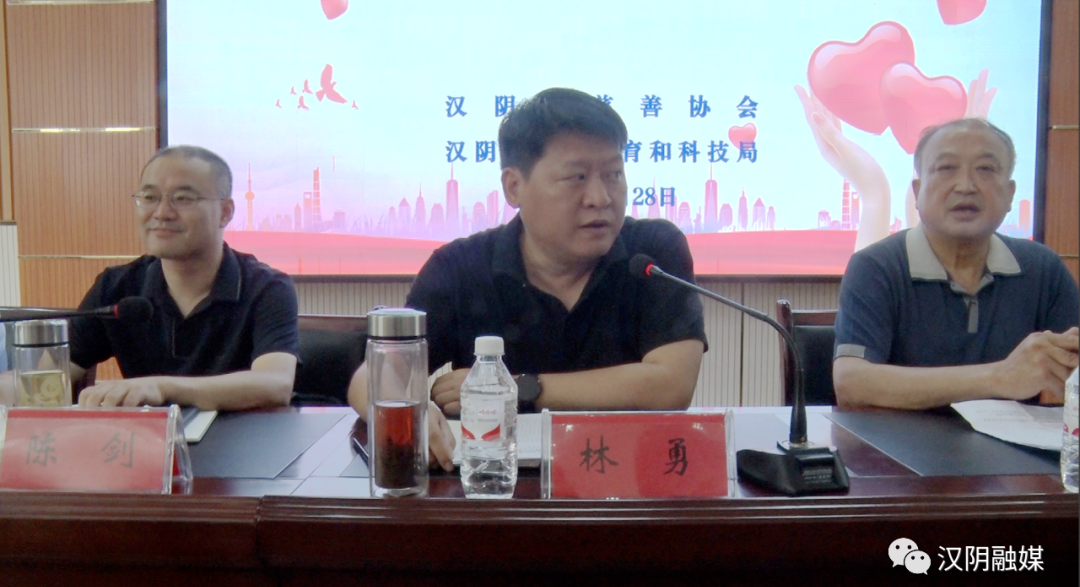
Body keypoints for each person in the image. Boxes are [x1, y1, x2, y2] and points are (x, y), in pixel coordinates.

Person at [348, 87, 708, 469]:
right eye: (577, 177)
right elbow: (372, 378)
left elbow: (671, 385)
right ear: (514, 187)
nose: (600, 197)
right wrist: (410, 415)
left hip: (626, 482)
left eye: (614, 174)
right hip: (495, 486)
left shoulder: (653, 252)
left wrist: (516, 387)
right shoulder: (460, 267)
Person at [0, 145, 299, 410]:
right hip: (146, 448)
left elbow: (274, 385)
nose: (162, 212)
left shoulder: (267, 287)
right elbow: (45, 378)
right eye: (149, 197)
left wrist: (161, 387)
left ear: (225, 212)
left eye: (183, 198)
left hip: (244, 446)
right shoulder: (117, 288)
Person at [833, 118, 1079, 410]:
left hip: (1012, 441)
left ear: (1010, 194)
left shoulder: (1042, 268)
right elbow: (852, 383)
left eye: (985, 169)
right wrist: (999, 377)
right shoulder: (876, 267)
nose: (966, 186)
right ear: (917, 192)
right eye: (947, 168)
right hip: (899, 440)